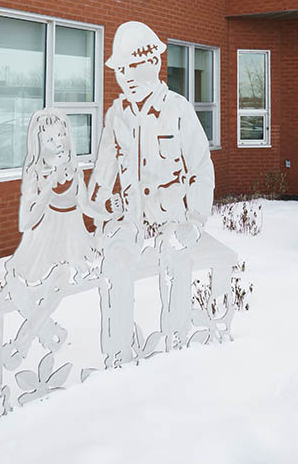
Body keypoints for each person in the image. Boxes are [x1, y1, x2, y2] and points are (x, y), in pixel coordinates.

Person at [87, 21, 215, 353]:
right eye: (121, 68)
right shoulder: (117, 116)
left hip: (172, 218)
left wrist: (195, 220)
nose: (126, 76)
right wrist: (99, 211)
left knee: (174, 262)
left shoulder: (177, 109)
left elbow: (201, 166)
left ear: (154, 64)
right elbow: (103, 171)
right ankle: (118, 352)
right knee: (113, 267)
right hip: (132, 220)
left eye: (134, 66)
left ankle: (176, 342)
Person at [5, 108, 94, 284]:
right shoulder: (37, 179)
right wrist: (46, 191)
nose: (59, 144)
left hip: (73, 254)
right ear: (39, 146)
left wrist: (113, 213)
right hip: (42, 256)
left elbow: (86, 207)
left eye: (62, 135)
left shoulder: (76, 174)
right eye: (50, 140)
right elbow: (26, 223)